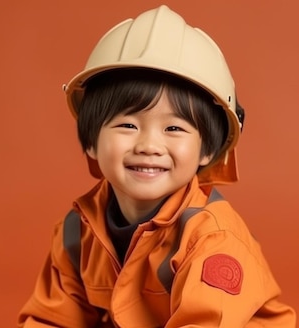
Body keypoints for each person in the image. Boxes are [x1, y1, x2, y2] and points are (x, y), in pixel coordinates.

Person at [17, 5, 296, 327]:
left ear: (208, 150)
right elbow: (50, 319)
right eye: (127, 126)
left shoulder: (212, 239)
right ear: (92, 140)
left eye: (174, 128)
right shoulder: (75, 232)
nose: (148, 146)